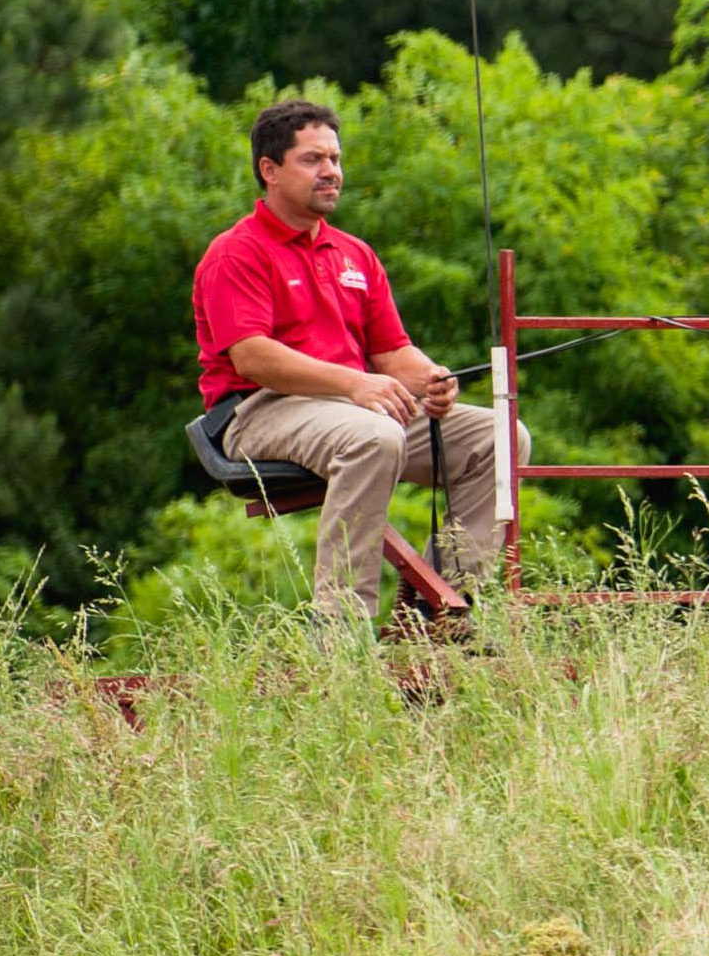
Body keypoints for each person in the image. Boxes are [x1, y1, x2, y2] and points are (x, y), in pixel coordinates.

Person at [191, 98, 529, 625]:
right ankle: (341, 634)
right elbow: (252, 356)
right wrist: (355, 385)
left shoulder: (355, 255)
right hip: (257, 412)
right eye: (312, 159)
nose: (330, 171)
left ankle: (438, 615)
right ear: (270, 170)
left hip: (356, 407)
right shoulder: (237, 252)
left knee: (502, 438)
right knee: (374, 435)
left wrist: (432, 379)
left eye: (335, 158)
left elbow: (392, 351)